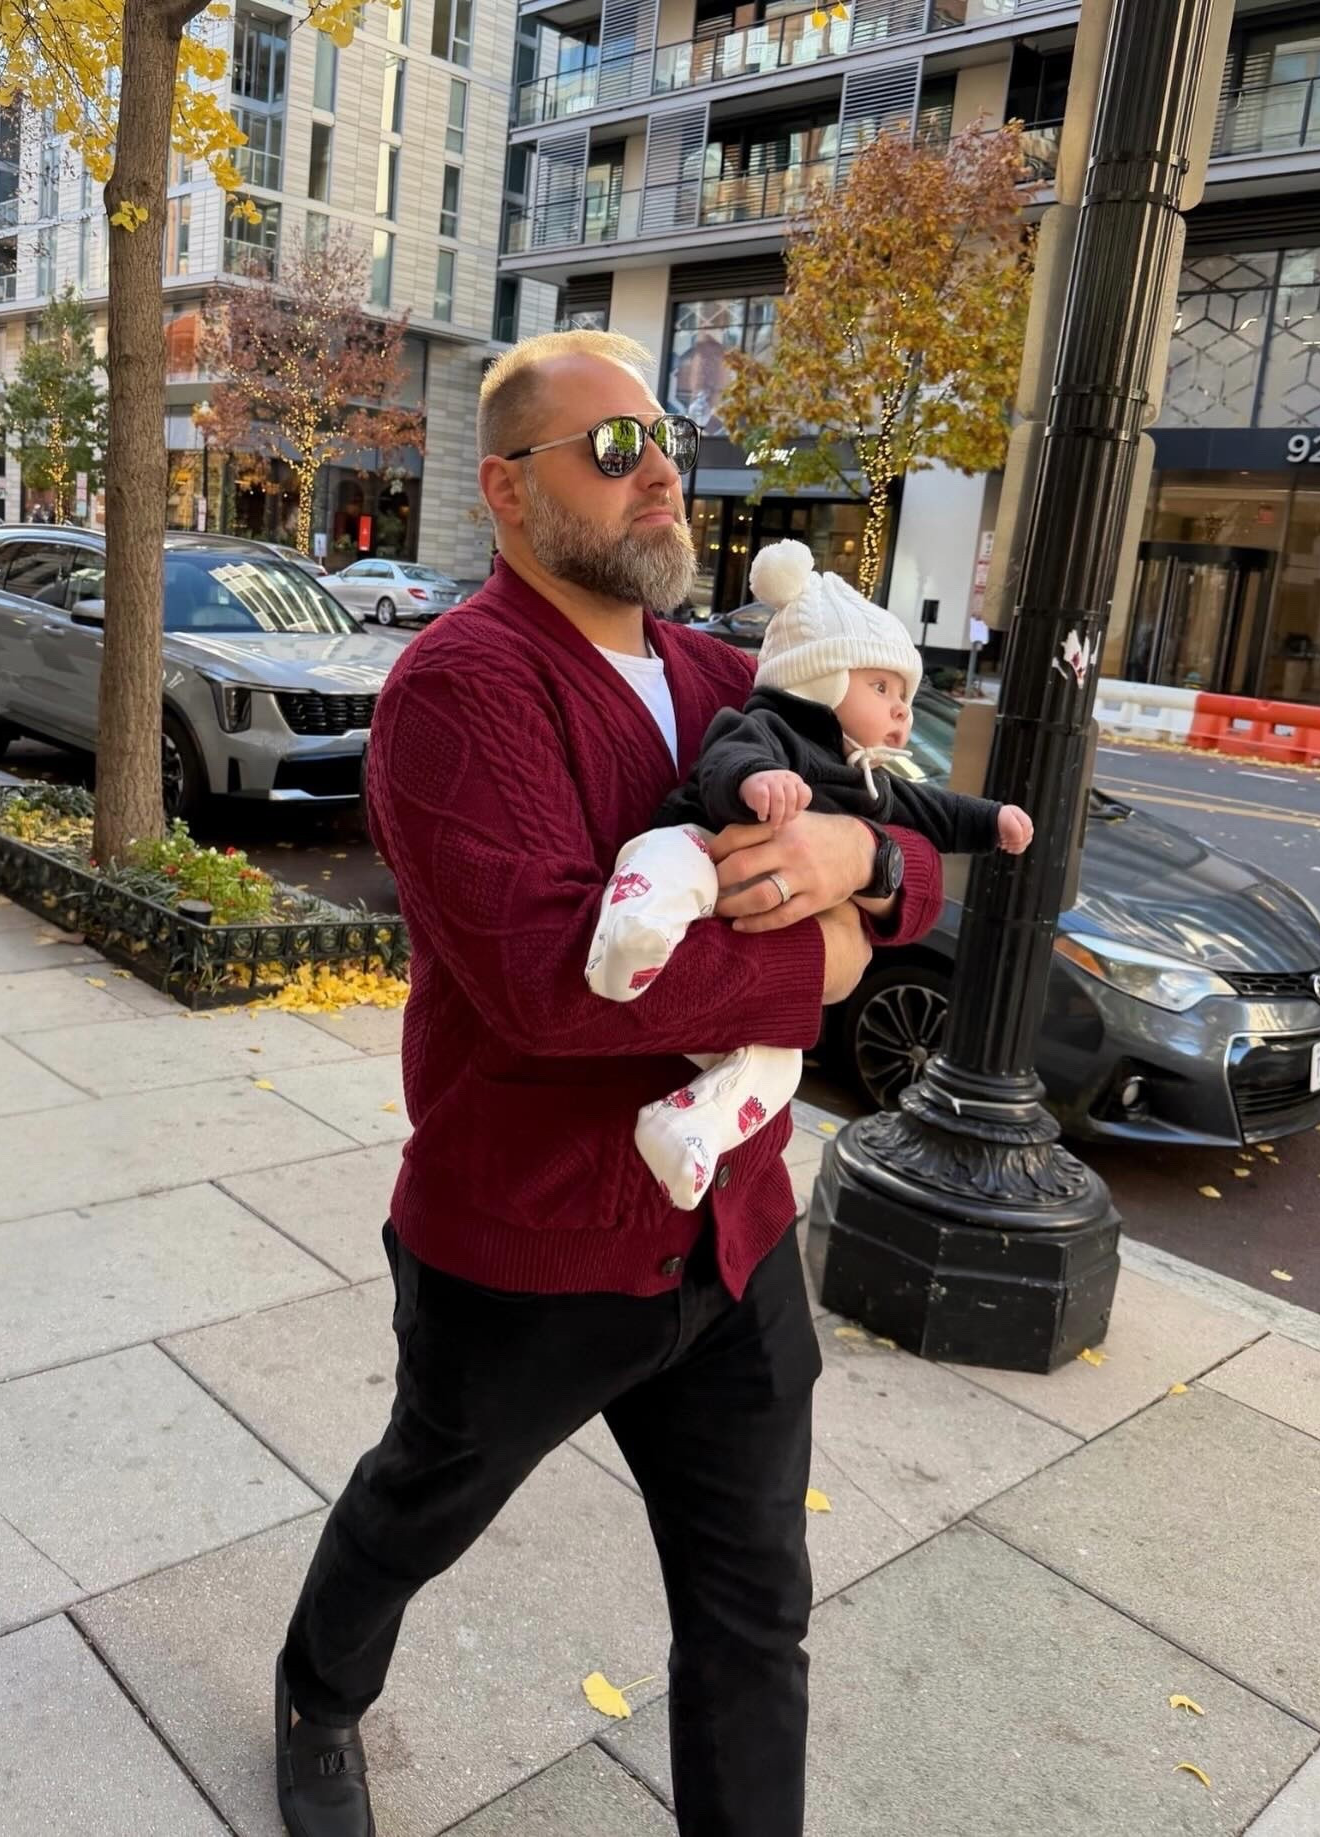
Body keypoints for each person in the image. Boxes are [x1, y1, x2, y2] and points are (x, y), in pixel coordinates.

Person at [274, 329, 945, 1837]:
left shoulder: (730, 675)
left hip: (733, 1238)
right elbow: (550, 981)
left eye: (667, 441)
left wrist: (864, 857)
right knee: (419, 1503)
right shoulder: (460, 687)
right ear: (510, 491)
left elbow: (915, 847)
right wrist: (822, 962)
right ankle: (319, 1691)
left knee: (756, 1611)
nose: (661, 477)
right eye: (615, 448)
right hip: (529, 1249)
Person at [586, 537, 1034, 1207]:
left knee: (780, 1065)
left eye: (904, 695)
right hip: (708, 854)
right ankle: (632, 933)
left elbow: (928, 827)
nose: (901, 708)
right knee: (673, 857)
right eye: (880, 686)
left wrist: (982, 823)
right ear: (821, 677)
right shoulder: (771, 724)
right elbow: (726, 762)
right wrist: (760, 782)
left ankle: (691, 1126)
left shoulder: (865, 779)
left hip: (746, 1197)